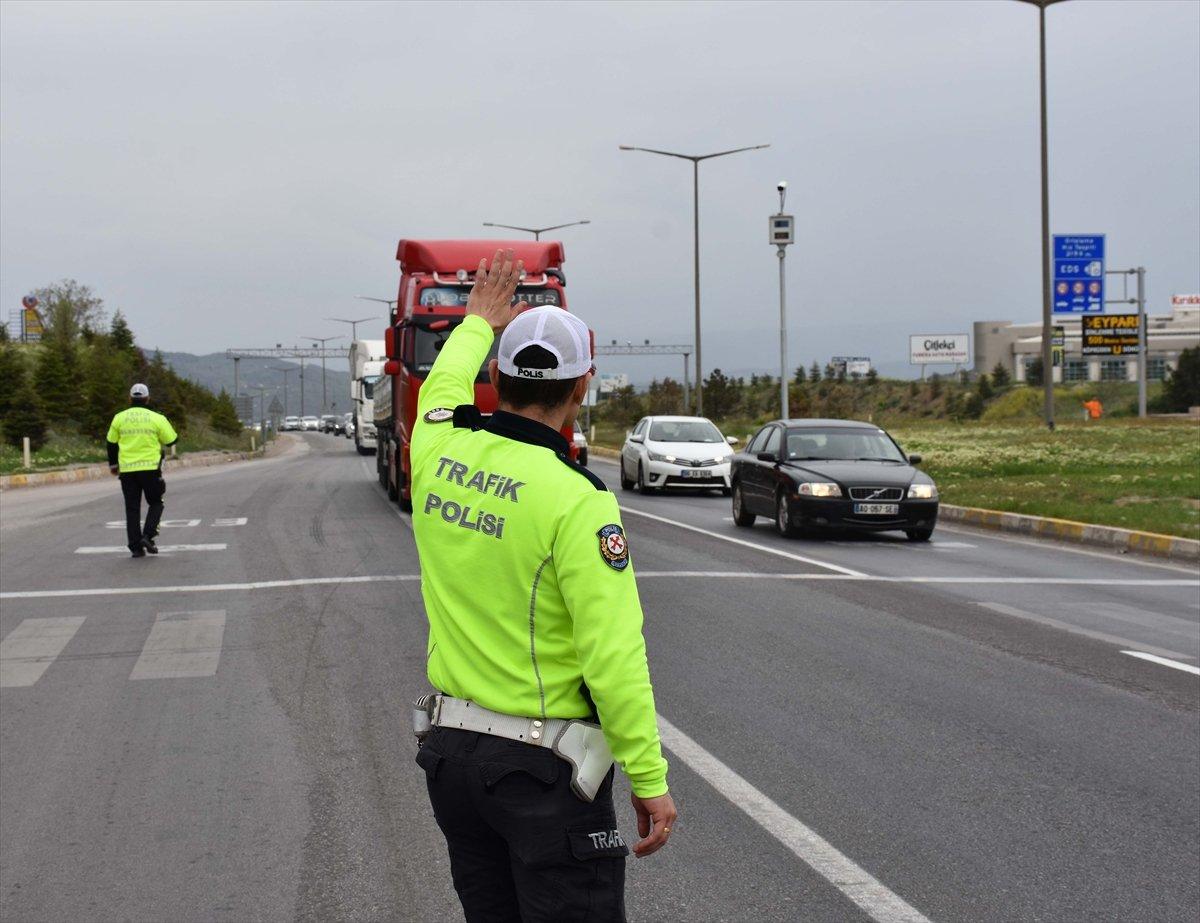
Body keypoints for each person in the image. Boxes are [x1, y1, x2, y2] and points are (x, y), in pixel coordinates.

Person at [410, 250, 676, 922]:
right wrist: (649, 778)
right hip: (540, 776)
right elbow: (613, 658)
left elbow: (441, 391)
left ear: (495, 375)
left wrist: (477, 320)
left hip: (451, 763)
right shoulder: (576, 499)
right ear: (582, 387)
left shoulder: (437, 449)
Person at [106, 383, 178, 558]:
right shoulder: (157, 418)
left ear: (130, 398)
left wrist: (114, 465)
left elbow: (111, 443)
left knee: (132, 508)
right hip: (150, 469)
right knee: (155, 502)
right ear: (147, 398)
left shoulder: (119, 418)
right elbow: (172, 441)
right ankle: (148, 535)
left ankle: (135, 548)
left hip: (128, 471)